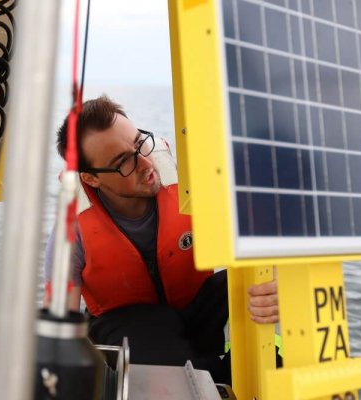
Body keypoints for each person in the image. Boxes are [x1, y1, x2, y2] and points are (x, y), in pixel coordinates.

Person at [44, 96, 279, 384]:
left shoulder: (185, 185)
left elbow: (256, 233)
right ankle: (214, 376)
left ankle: (253, 369)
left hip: (194, 308)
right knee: (156, 339)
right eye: (123, 162)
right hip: (129, 328)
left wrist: (274, 285)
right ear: (91, 179)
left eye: (140, 143)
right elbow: (61, 322)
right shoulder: (73, 228)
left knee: (244, 284)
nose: (145, 163)